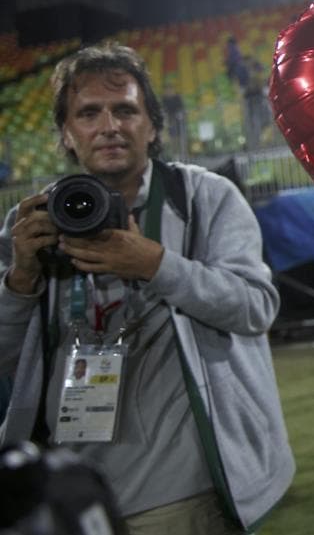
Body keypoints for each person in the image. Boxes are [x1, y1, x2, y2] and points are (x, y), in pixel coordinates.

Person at [0, 42, 294, 533]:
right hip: (73, 490)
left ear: (152, 126)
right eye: (88, 113)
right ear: (66, 133)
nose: (109, 126)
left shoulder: (203, 197)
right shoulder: (33, 221)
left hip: (182, 492)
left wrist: (156, 265)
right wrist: (21, 280)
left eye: (125, 110)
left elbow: (255, 307)